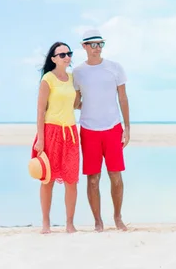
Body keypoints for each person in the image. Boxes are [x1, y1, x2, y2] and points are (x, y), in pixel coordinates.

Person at [72, 29, 130, 232]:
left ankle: (117, 216)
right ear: (84, 47)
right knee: (93, 178)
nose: (97, 48)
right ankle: (98, 221)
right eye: (93, 44)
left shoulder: (115, 68)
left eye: (100, 44)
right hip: (88, 129)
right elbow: (76, 101)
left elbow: (123, 98)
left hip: (113, 127)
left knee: (116, 175)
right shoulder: (78, 72)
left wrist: (127, 127)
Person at [32, 41, 80, 234]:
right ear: (53, 59)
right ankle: (46, 223)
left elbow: (77, 104)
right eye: (62, 55)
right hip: (51, 132)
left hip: (70, 133)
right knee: (48, 179)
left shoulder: (72, 78)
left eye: (69, 53)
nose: (67, 57)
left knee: (71, 180)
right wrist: (41, 140)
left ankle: (70, 224)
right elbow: (40, 111)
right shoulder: (48, 79)